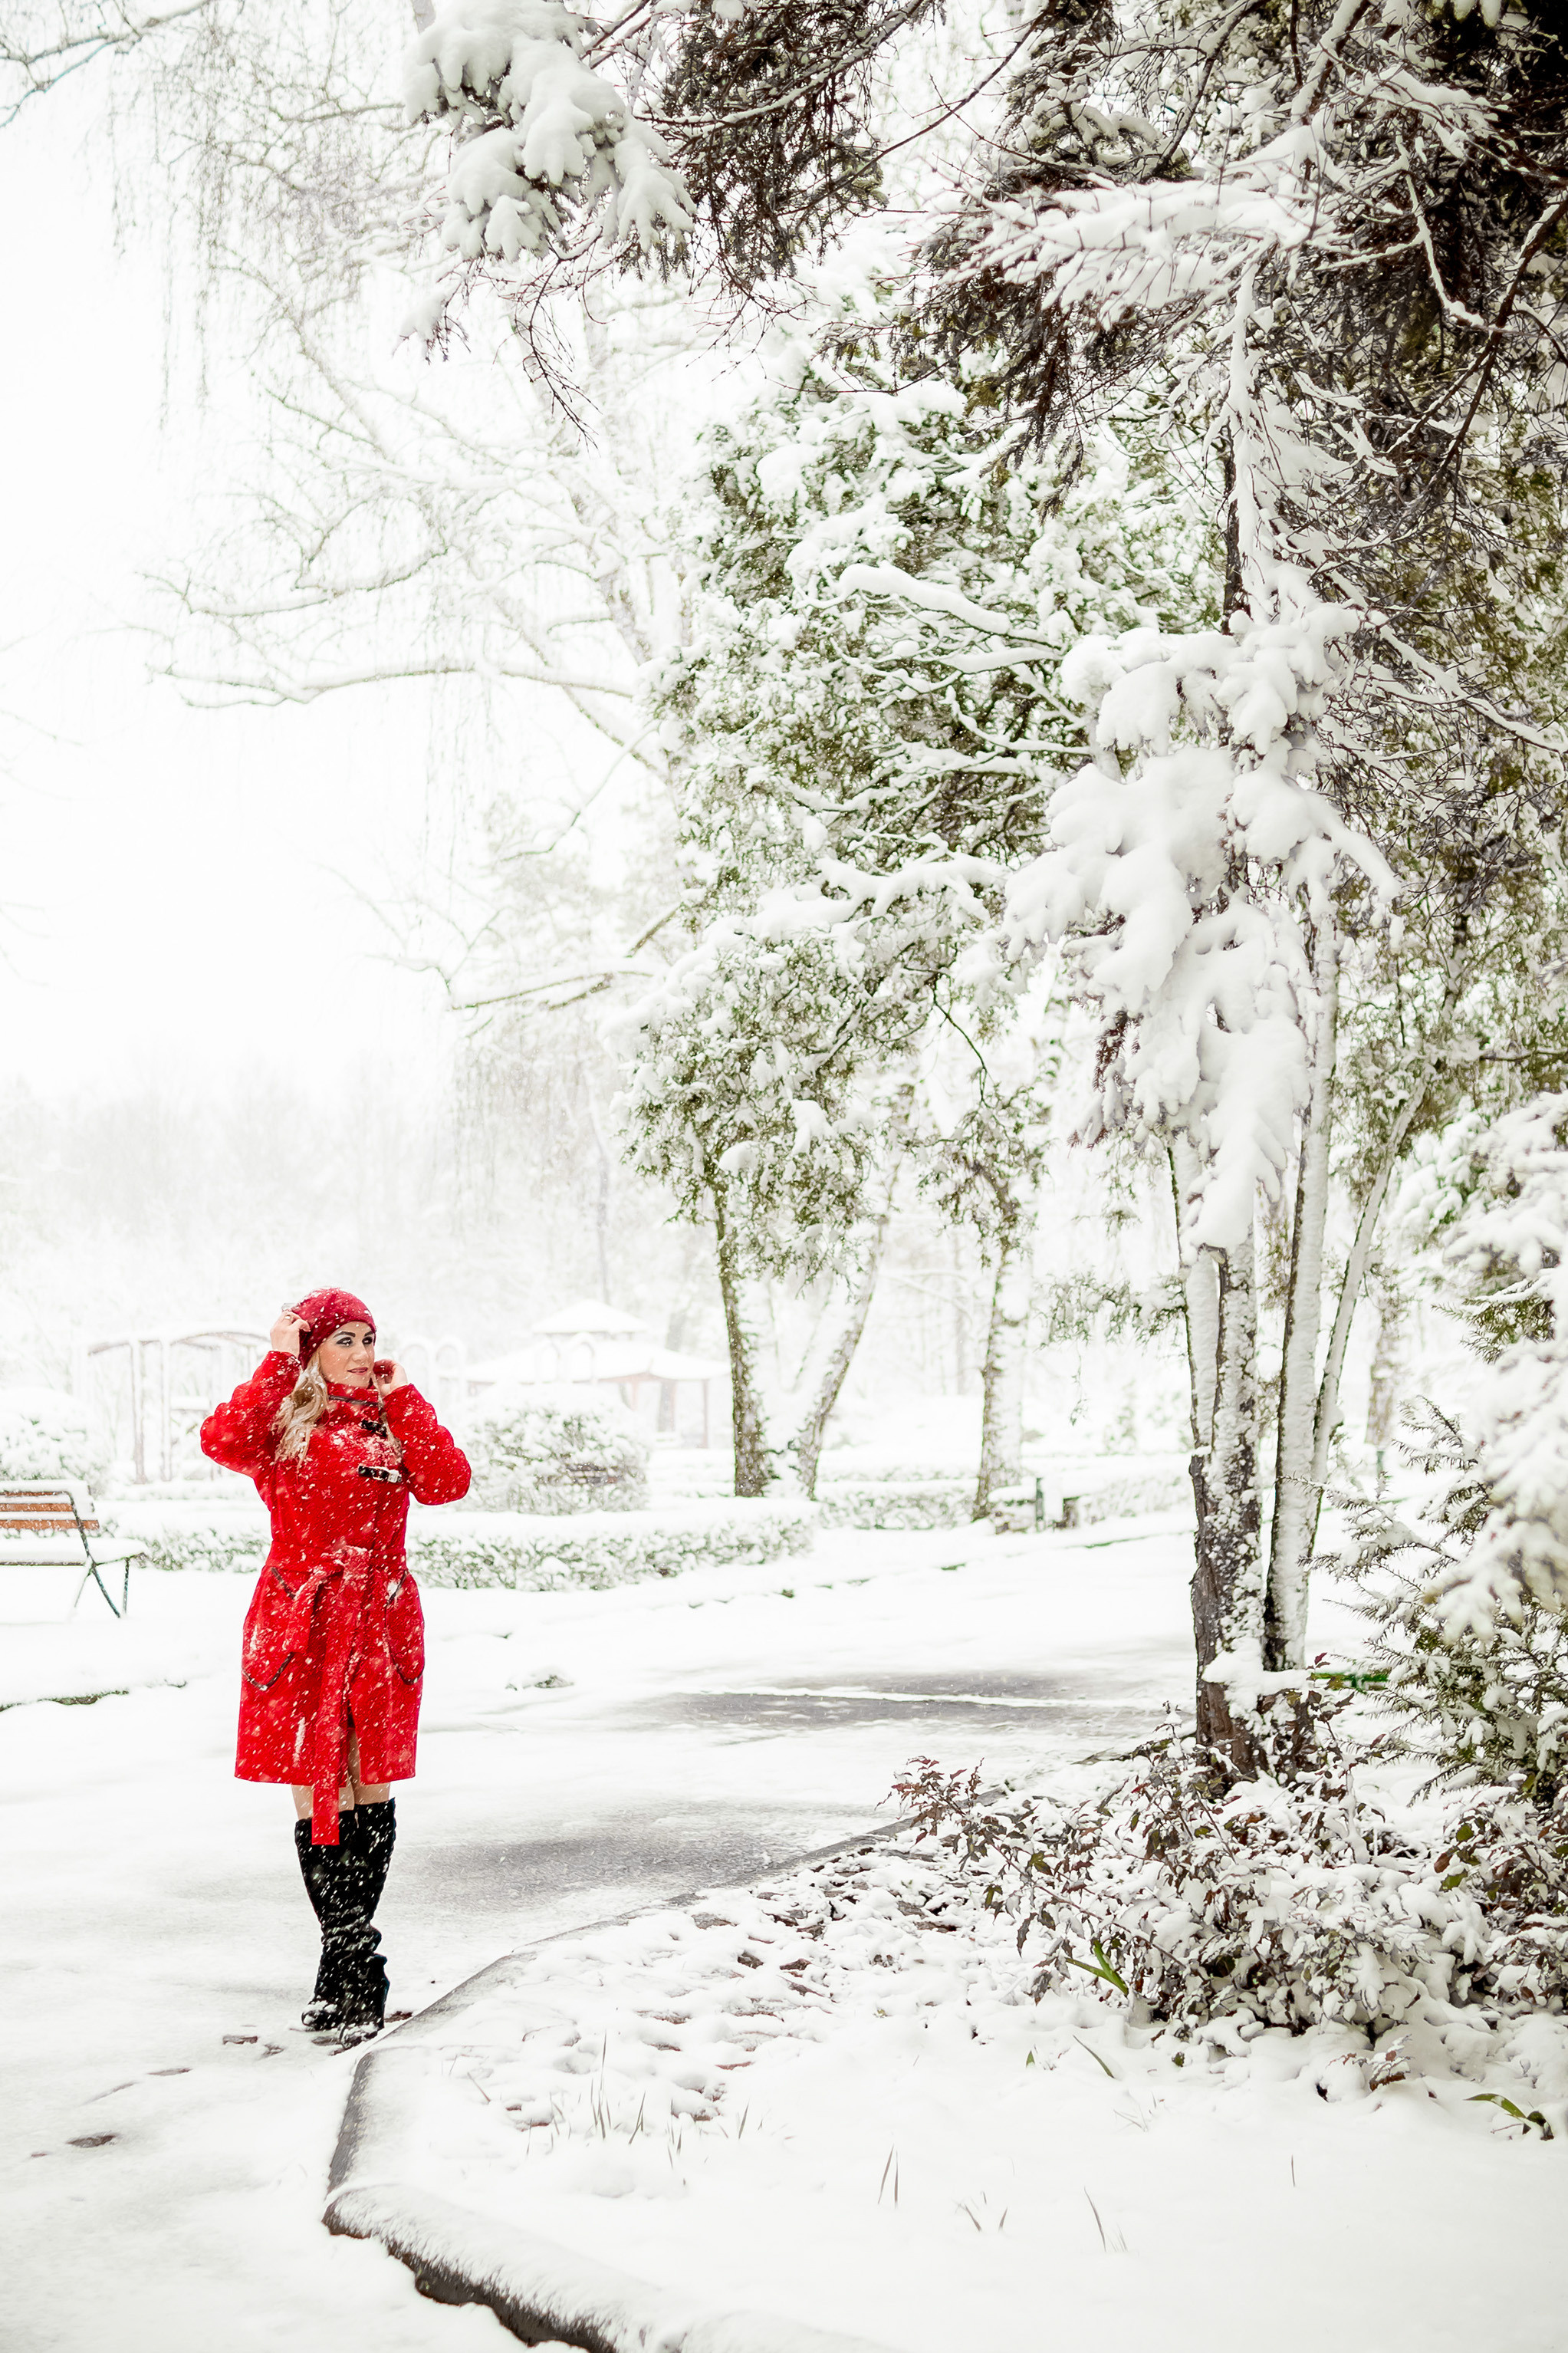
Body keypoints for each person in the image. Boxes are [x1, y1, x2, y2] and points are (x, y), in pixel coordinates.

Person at [201, 1288, 471, 2043]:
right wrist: (277, 1356)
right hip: (298, 1614)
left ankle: (345, 1960)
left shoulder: (392, 1418)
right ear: (313, 1349)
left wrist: (406, 1396)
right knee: (311, 1776)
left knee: (365, 1770)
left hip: (379, 1616)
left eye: (367, 1337)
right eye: (342, 1338)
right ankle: (354, 1956)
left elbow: (448, 1480)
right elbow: (222, 1437)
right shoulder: (283, 1421)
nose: (358, 1350)